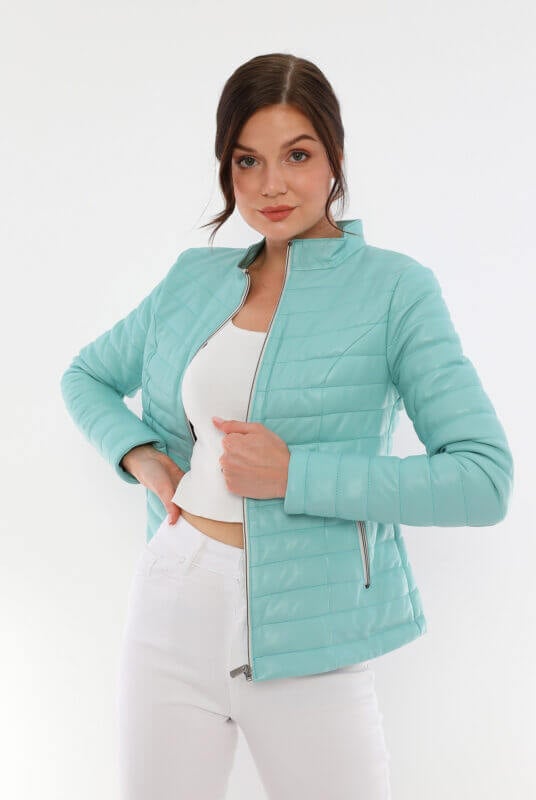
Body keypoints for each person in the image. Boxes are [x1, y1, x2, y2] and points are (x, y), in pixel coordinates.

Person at [60, 53, 514, 800]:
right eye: (248, 161)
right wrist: (144, 458)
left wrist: (296, 475)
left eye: (297, 155)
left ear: (335, 157)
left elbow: (482, 478)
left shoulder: (395, 289)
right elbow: (86, 376)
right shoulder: (193, 279)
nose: (272, 185)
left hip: (314, 631)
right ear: (227, 168)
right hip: (173, 600)